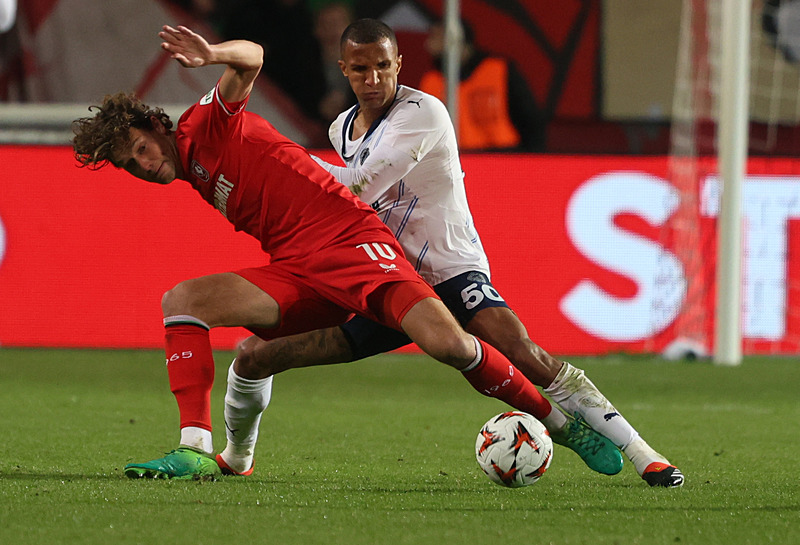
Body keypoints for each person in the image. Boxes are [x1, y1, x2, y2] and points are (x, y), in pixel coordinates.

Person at [72, 24, 595, 482]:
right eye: (129, 164)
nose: (142, 163)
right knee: (186, 302)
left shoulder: (200, 125)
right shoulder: (193, 172)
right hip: (298, 268)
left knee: (452, 347)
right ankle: (196, 449)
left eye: (140, 148)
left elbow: (252, 56)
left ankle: (558, 424)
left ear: (157, 127)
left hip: (352, 243)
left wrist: (211, 54)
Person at [216, 19, 683, 488]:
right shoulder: (342, 129)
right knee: (260, 353)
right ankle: (236, 457)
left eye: (383, 66)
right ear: (344, 69)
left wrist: (278, 155)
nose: (373, 79)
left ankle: (645, 455)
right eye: (360, 69)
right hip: (387, 277)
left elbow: (357, 185)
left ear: (399, 62)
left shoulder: (425, 112)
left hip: (449, 269)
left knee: (524, 352)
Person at [418, 18, 545, 152]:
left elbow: (530, 121)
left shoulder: (499, 71)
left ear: (458, 40)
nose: (428, 45)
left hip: (504, 156)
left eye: (436, 37)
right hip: (455, 159)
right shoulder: (431, 81)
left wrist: (532, 159)